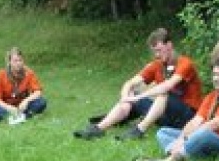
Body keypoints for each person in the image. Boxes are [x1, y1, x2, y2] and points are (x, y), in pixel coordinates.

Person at [74, 27, 203, 141]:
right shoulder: (156, 65)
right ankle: (99, 128)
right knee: (132, 93)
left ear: (169, 45)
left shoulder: (185, 63)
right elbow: (130, 82)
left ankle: (139, 130)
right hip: (165, 115)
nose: (157, 55)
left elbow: (167, 86)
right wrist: (126, 96)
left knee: (162, 94)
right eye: (154, 52)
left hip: (187, 116)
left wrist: (139, 96)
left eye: (159, 50)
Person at [148, 55, 219, 161]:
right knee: (163, 132)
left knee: (203, 133)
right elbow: (196, 120)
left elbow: (214, 124)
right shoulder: (212, 95)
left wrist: (186, 138)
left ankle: (169, 160)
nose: (216, 78)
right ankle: (181, 154)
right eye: (214, 74)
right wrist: (181, 138)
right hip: (206, 138)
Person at [0, 47, 47, 123]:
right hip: (7, 105)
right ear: (9, 62)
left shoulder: (28, 72)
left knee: (41, 102)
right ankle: (13, 117)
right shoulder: (1, 74)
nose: (18, 63)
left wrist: (26, 101)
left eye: (20, 60)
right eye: (15, 61)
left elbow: (38, 92)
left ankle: (22, 116)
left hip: (23, 105)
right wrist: (8, 107)